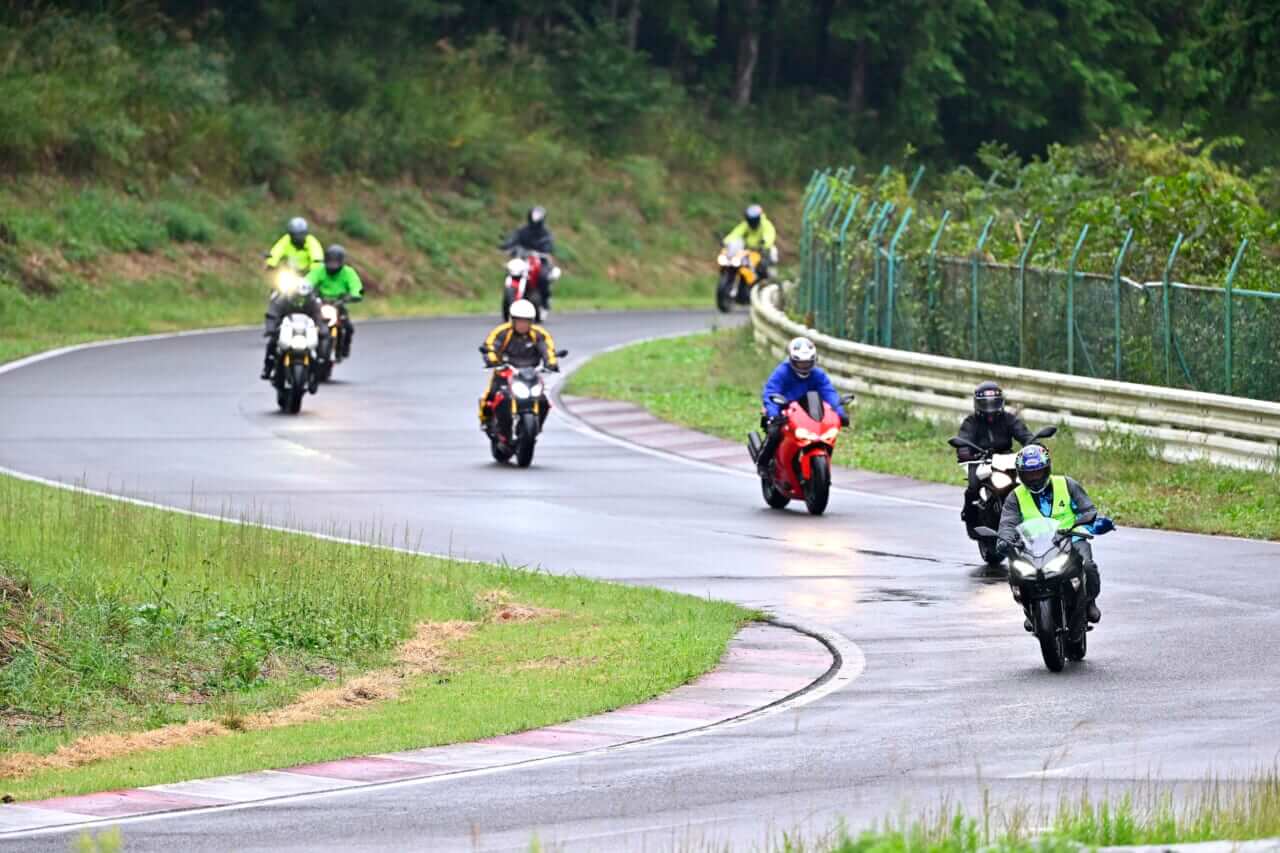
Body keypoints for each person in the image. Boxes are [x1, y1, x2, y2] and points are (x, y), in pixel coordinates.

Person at [996, 445, 1114, 624]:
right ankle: (1029, 608)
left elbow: (1088, 510)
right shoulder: (1015, 496)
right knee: (1016, 570)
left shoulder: (1067, 484)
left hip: (1071, 538)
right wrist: (1005, 540)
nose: (1034, 478)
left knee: (1087, 565)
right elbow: (1008, 523)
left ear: (1047, 469)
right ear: (1021, 474)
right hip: (1033, 545)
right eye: (1029, 474)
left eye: (1038, 472)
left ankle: (1089, 601)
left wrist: (1092, 523)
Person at [756, 337, 848, 477]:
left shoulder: (818, 375)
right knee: (775, 433)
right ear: (792, 360)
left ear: (814, 360)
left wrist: (840, 413)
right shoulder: (782, 372)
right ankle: (763, 462)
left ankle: (821, 469)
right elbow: (771, 392)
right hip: (785, 410)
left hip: (809, 412)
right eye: (800, 363)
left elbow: (830, 394)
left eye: (808, 363)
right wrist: (773, 415)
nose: (804, 366)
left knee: (826, 435)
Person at [955, 381, 1035, 526]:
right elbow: (964, 438)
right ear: (977, 403)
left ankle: (1033, 514)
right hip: (980, 459)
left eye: (994, 402)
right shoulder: (971, 422)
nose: (990, 407)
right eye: (985, 403)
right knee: (973, 486)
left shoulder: (1009, 419)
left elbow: (1024, 434)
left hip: (1007, 458)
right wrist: (964, 450)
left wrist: (1034, 444)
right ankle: (970, 515)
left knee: (1029, 481)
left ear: (1001, 402)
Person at [478, 299, 560, 431]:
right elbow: (490, 346)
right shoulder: (501, 332)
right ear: (512, 320)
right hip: (505, 373)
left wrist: (551, 363)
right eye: (519, 321)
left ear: (531, 321)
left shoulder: (540, 334)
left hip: (531, 375)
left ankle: (537, 426)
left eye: (526, 321)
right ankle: (485, 421)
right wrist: (493, 361)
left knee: (543, 401)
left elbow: (548, 349)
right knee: (491, 396)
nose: (522, 324)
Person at [261, 272, 331, 392]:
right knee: (272, 343)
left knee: (320, 348)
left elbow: (319, 317)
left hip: (305, 332)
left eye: (303, 298)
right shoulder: (281, 300)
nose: (300, 301)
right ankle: (267, 368)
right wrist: (271, 329)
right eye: (298, 297)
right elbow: (272, 314)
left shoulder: (314, 303)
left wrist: (323, 330)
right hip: (286, 329)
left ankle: (315, 377)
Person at [307, 244, 364, 359]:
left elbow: (356, 286)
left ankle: (343, 349)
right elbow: (308, 281)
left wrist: (355, 295)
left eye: (335, 262)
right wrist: (304, 290)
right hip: (319, 303)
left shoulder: (348, 272)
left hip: (339, 304)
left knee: (348, 328)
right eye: (330, 261)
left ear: (341, 262)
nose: (332, 265)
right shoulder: (319, 270)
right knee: (308, 323)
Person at [501, 206, 558, 310]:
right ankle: (511, 296)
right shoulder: (523, 230)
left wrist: (545, 249)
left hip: (540, 260)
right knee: (512, 270)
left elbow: (549, 244)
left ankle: (545, 300)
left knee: (543, 276)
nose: (535, 218)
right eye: (534, 215)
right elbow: (513, 239)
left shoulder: (545, 232)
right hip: (523, 259)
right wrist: (507, 245)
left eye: (538, 216)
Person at [723, 203, 779, 280]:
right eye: (750, 220)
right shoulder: (746, 225)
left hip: (762, 250)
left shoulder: (765, 224)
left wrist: (764, 242)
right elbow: (736, 233)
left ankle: (771, 275)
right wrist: (726, 241)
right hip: (749, 251)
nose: (751, 223)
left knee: (771, 255)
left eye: (753, 221)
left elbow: (770, 234)